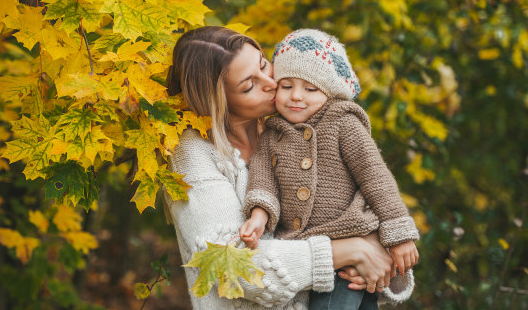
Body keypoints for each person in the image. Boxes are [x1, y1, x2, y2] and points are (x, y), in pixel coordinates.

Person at [165, 26, 413, 309]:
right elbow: (231, 267)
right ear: (218, 103)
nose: (271, 83)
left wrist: (374, 244)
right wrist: (348, 250)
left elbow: (365, 186)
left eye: (263, 65)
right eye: (249, 86)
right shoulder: (192, 154)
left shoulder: (293, 126)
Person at [238, 29, 419, 310]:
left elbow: (376, 178)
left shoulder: (343, 124)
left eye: (310, 89)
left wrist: (399, 234)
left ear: (330, 91)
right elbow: (263, 178)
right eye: (286, 86)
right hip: (316, 253)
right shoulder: (272, 134)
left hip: (351, 238)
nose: (296, 96)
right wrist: (259, 215)